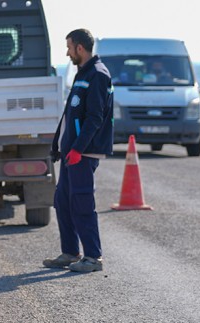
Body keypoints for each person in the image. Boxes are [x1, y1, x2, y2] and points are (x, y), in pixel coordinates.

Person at [44, 29, 114, 273]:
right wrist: (58, 146)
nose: (67, 52)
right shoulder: (83, 74)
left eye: (69, 47)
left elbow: (94, 118)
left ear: (80, 49)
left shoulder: (97, 75)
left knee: (82, 203)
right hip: (70, 153)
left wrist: (78, 149)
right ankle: (70, 252)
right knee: (63, 202)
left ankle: (93, 257)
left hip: (82, 154)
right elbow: (71, 115)